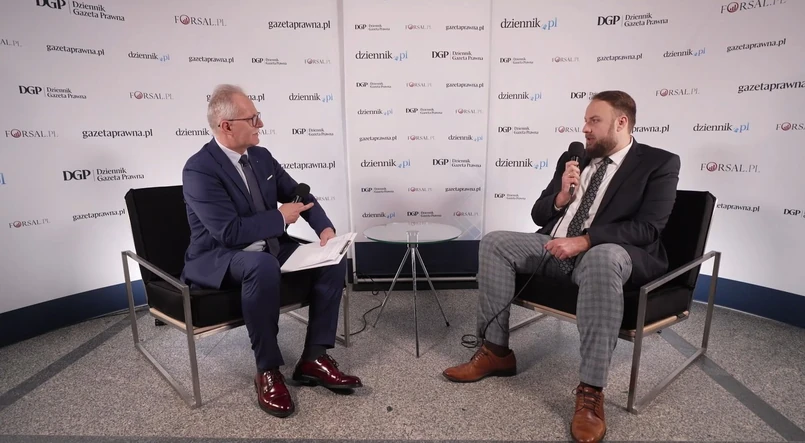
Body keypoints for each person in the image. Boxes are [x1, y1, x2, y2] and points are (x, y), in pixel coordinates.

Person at [442, 91, 680, 443]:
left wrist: (585, 240)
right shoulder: (575, 157)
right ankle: (496, 352)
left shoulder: (658, 163)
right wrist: (561, 197)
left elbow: (648, 228)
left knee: (602, 257)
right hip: (553, 245)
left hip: (604, 254)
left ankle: (591, 391)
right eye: (585, 120)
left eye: (594, 121)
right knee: (495, 241)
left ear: (621, 122)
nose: (585, 128)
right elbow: (539, 214)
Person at [181, 84, 361, 418]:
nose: (260, 124)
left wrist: (324, 229)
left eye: (258, 116)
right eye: (252, 119)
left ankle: (314, 357)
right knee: (261, 265)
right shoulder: (199, 170)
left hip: (270, 248)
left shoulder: (261, 157)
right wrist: (279, 218)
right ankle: (267, 370)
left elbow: (298, 195)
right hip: (221, 257)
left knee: (333, 259)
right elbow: (228, 232)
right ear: (226, 126)